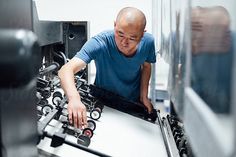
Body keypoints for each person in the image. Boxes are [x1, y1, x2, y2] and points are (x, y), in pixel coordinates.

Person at [58, 7, 156, 128]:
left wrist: (144, 96)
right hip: (102, 101)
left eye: (132, 38)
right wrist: (74, 98)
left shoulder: (148, 42)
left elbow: (146, 65)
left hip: (131, 102)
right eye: (120, 34)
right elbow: (66, 70)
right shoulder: (100, 42)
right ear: (115, 25)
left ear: (142, 34)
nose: (124, 42)